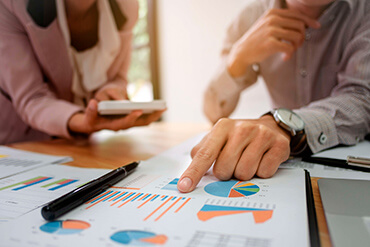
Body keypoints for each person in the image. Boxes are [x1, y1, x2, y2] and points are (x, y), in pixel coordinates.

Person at [178, 0, 370, 193]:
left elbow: (362, 99)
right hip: (281, 169)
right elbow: (213, 111)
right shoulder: (250, 17)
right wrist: (238, 59)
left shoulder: (365, 12)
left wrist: (284, 125)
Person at [0, 0, 164, 145]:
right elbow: (32, 97)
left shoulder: (126, 6)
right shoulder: (11, 5)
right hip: (20, 143)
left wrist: (111, 92)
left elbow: (117, 77)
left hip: (81, 146)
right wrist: (83, 121)